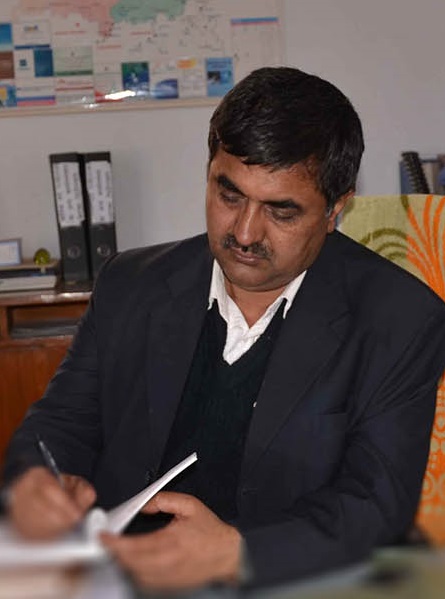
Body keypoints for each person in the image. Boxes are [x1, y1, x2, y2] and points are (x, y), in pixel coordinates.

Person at [2, 66, 445, 592]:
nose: (245, 232)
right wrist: (36, 482)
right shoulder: (131, 284)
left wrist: (240, 553)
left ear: (335, 210)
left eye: (281, 212)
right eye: (229, 195)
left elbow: (375, 505)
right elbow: (61, 424)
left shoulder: (399, 319)